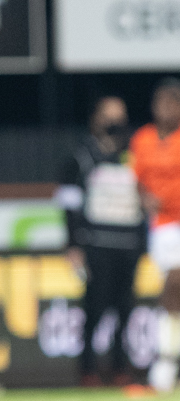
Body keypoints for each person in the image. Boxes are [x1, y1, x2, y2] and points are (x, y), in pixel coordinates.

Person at [56, 96, 145, 386]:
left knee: (124, 309)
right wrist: (73, 245)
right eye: (108, 116)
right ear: (95, 119)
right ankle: (88, 370)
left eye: (120, 116)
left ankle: (120, 369)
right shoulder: (81, 157)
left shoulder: (134, 156)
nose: (115, 123)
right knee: (94, 308)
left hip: (128, 244)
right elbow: (68, 204)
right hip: (97, 245)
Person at [131, 78, 180, 393]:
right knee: (173, 285)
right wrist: (144, 197)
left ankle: (167, 363)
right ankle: (167, 361)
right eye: (161, 102)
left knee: (175, 285)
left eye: (172, 103)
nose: (166, 108)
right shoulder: (143, 139)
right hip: (163, 224)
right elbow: (136, 178)